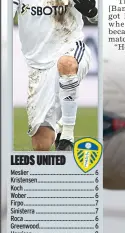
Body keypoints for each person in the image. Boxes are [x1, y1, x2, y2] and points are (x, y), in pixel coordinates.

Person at [13, 0, 98, 151]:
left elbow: (98, 18)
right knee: (41, 145)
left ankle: (67, 135)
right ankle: (58, 129)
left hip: (69, 46)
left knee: (67, 64)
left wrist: (92, 11)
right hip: (38, 67)